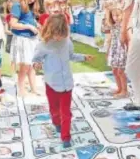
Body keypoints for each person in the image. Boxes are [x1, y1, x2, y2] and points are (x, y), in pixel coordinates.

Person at [32, 14, 94, 148]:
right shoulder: (43, 45)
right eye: (56, 34)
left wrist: (83, 57)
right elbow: (36, 59)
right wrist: (36, 65)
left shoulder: (67, 42)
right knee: (54, 109)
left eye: (61, 34)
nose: (59, 38)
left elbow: (72, 56)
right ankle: (56, 123)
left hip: (67, 84)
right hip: (52, 84)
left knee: (66, 112)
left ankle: (66, 137)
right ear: (49, 30)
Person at [101, 0, 130, 98]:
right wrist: (109, 16)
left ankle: (124, 90)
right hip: (113, 30)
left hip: (124, 31)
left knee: (120, 67)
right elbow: (104, 6)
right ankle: (119, 88)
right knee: (113, 67)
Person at [10, 0, 40, 97]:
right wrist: (28, 26)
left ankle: (34, 89)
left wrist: (36, 24)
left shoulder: (29, 5)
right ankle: (21, 90)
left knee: (32, 65)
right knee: (25, 65)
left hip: (31, 39)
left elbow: (27, 19)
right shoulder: (17, 5)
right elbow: (13, 23)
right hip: (23, 39)